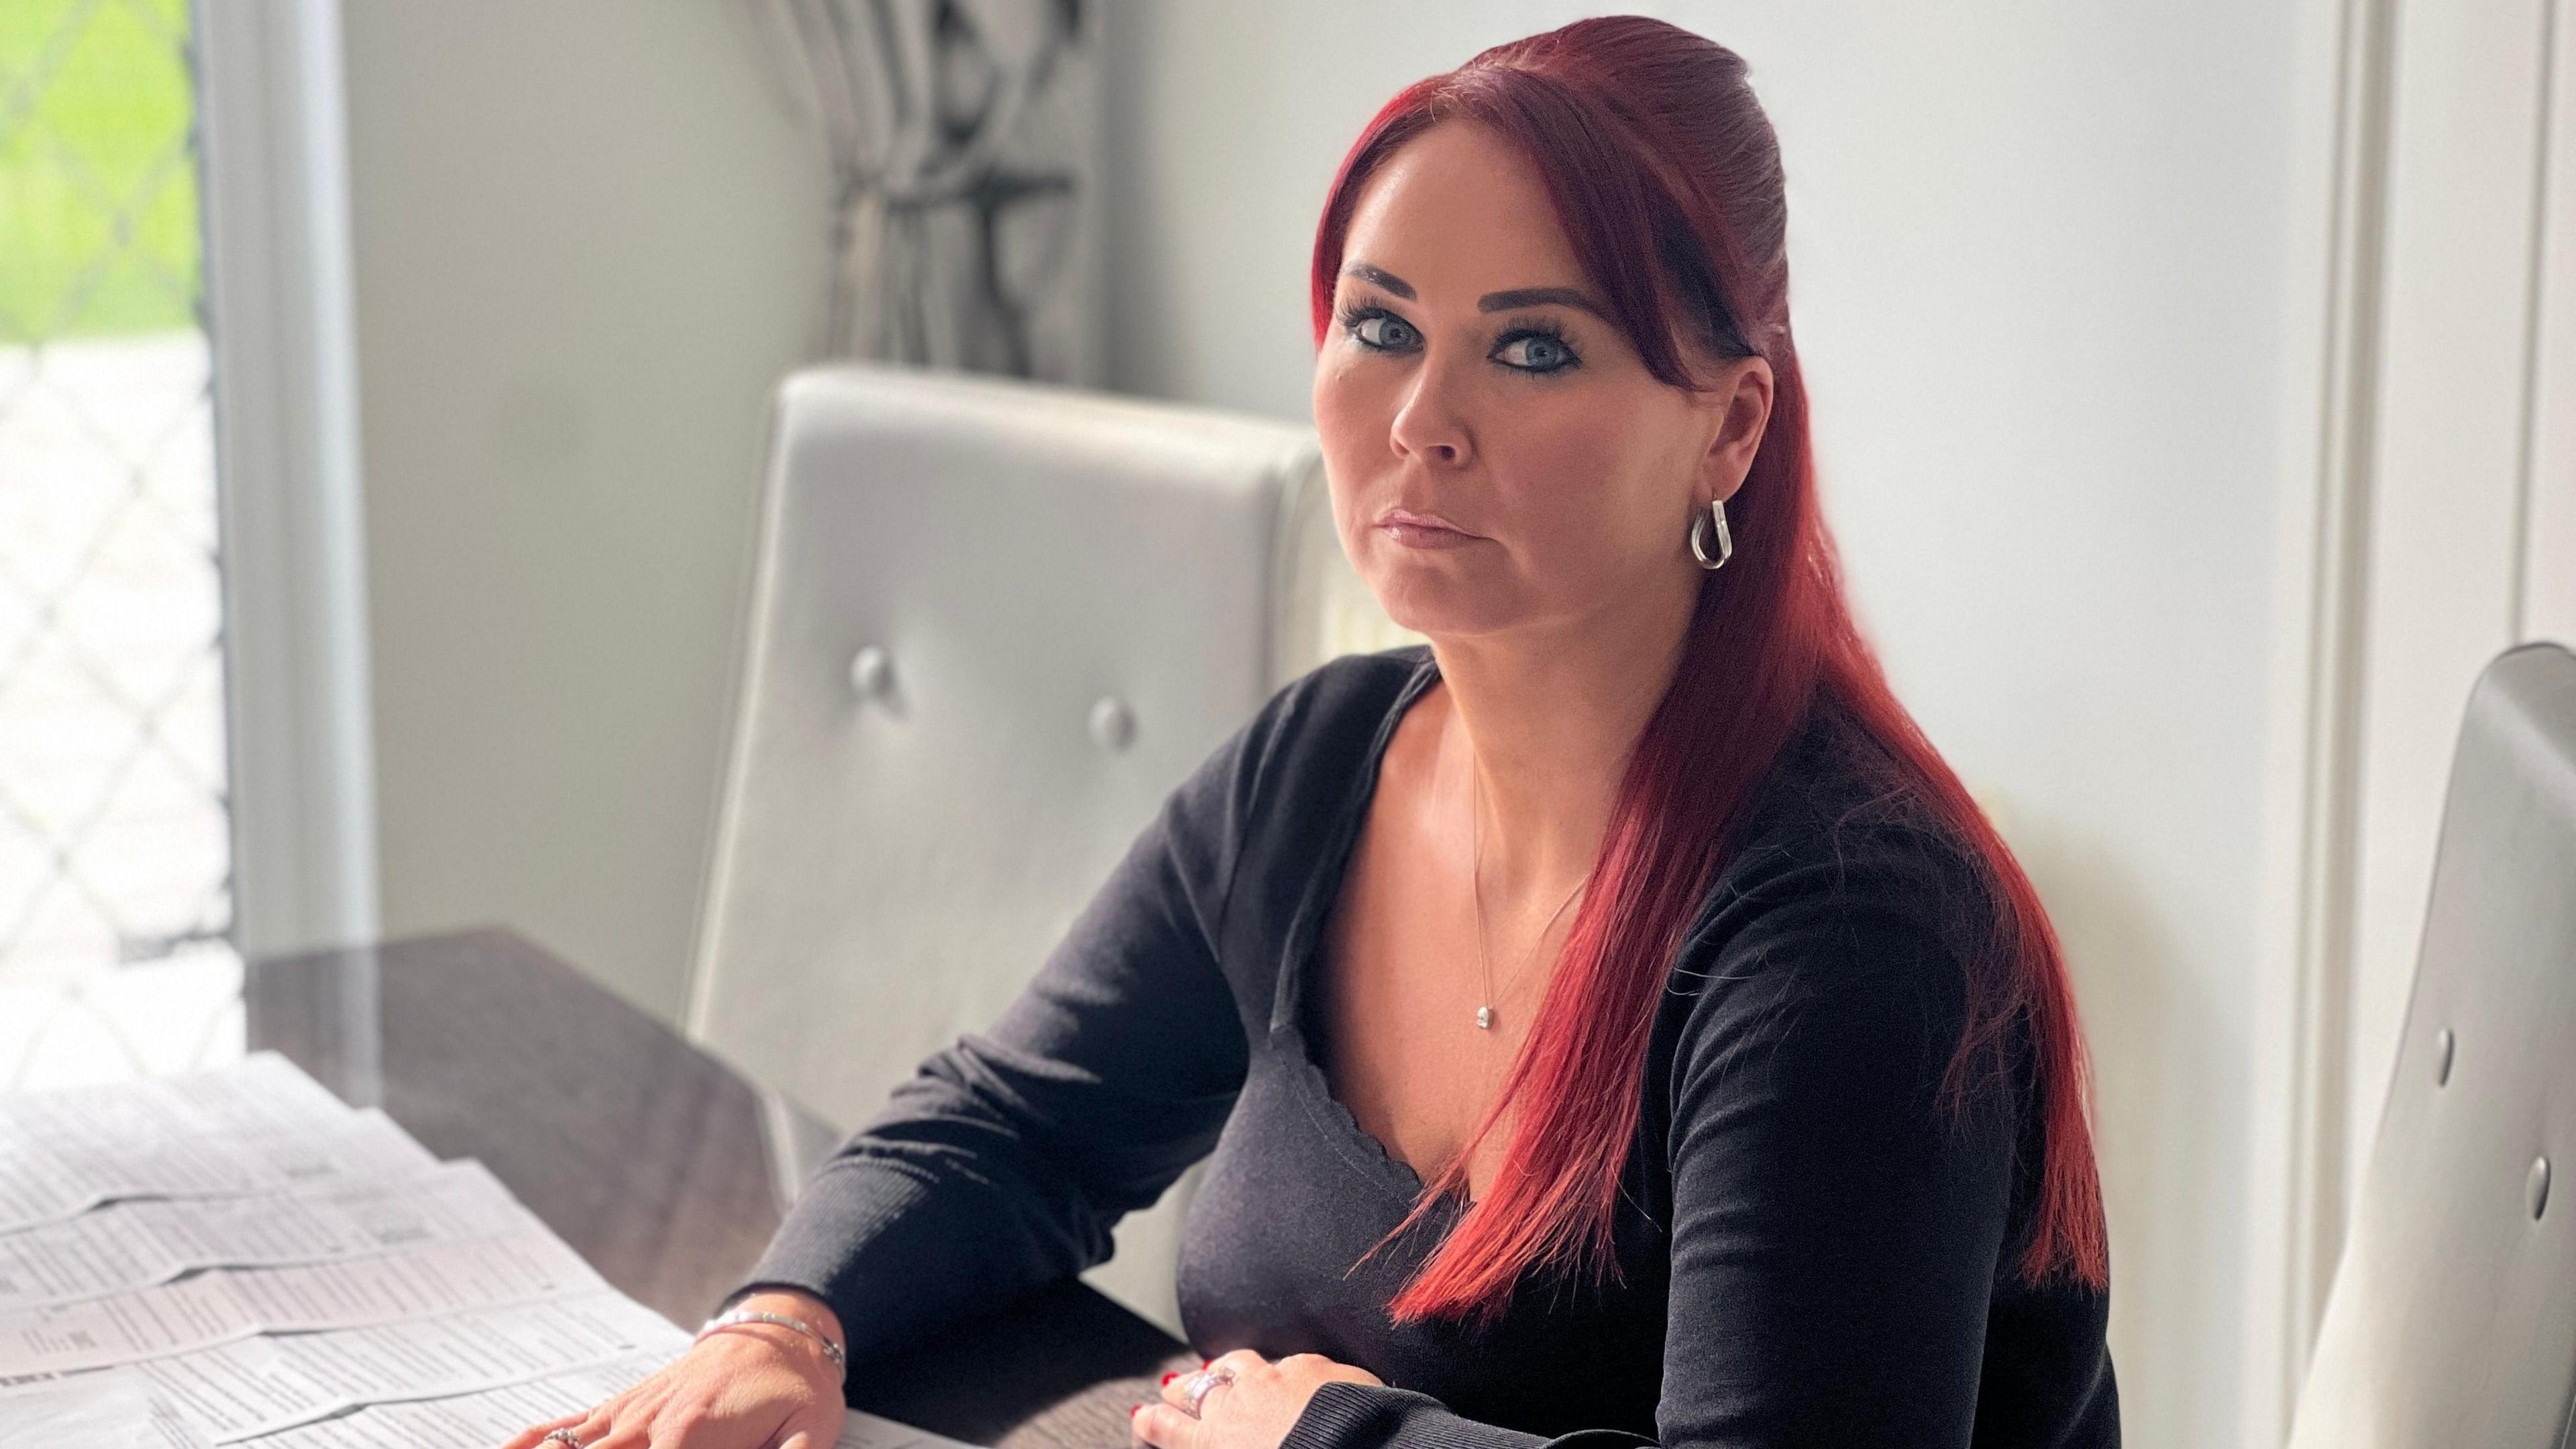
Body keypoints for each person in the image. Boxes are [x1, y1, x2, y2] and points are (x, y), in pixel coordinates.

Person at [504, 15, 2118, 1449]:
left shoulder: (1857, 932)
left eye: (1535, 347)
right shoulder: (1325, 768)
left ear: (1730, 427)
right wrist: (784, 1324)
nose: (1424, 419)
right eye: (1384, 324)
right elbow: (1015, 1125)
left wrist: (1326, 1441)